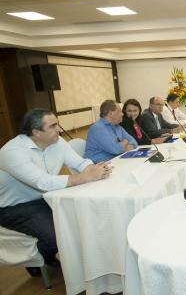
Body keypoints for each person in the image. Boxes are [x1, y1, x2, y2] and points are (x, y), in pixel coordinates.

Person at [0, 108, 112, 271]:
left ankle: (76, 261)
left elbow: (79, 163)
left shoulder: (57, 141)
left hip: (46, 196)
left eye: (58, 124)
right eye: (53, 126)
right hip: (14, 207)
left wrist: (91, 169)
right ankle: (74, 270)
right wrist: (86, 177)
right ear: (36, 132)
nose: (59, 129)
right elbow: (43, 182)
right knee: (58, 235)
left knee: (82, 218)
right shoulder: (12, 152)